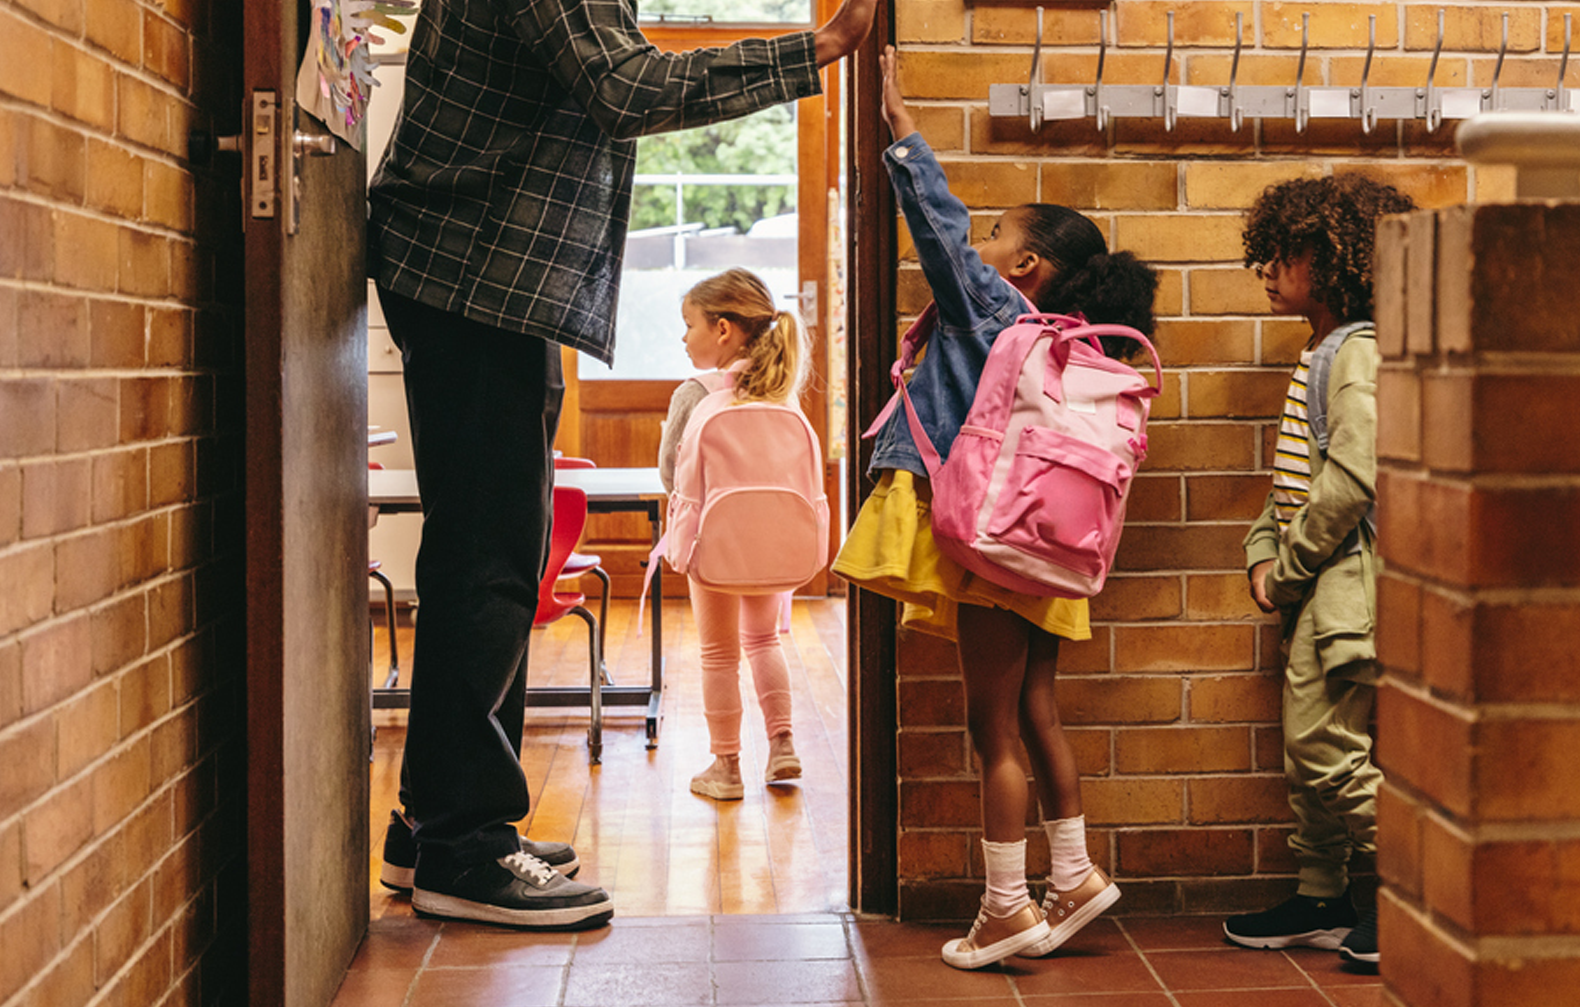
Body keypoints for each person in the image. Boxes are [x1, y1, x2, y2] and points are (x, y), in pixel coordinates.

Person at [365, 0, 878, 931]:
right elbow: (625, 85)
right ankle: (460, 846)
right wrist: (819, 49)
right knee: (489, 564)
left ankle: (430, 821)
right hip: (474, 277)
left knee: (490, 561)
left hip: (490, 282)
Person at [832, 46, 1160, 971]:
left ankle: (1006, 909)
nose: (978, 253)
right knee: (1039, 707)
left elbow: (938, 227)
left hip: (998, 540)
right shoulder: (1080, 348)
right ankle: (1075, 873)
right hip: (1055, 545)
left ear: (1029, 264)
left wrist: (899, 128)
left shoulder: (1000, 314)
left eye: (995, 243)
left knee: (992, 726)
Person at [1220, 174, 1413, 975]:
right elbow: (1293, 483)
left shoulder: (1357, 349)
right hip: (1314, 573)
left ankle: (1421, 893)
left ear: (1336, 260)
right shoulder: (1324, 349)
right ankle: (1324, 893)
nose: (1267, 268)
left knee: (1322, 743)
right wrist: (1264, 550)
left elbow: (1355, 475)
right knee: (1310, 748)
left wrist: (1292, 568)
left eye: (1285, 253)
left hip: (1343, 579)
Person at [657, 269, 807, 801]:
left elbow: (670, 475)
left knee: (718, 653)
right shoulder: (780, 392)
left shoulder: (694, 393)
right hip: (773, 541)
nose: (684, 337)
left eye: (689, 325)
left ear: (723, 329)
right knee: (765, 640)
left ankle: (726, 767)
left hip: (713, 544)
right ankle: (783, 743)